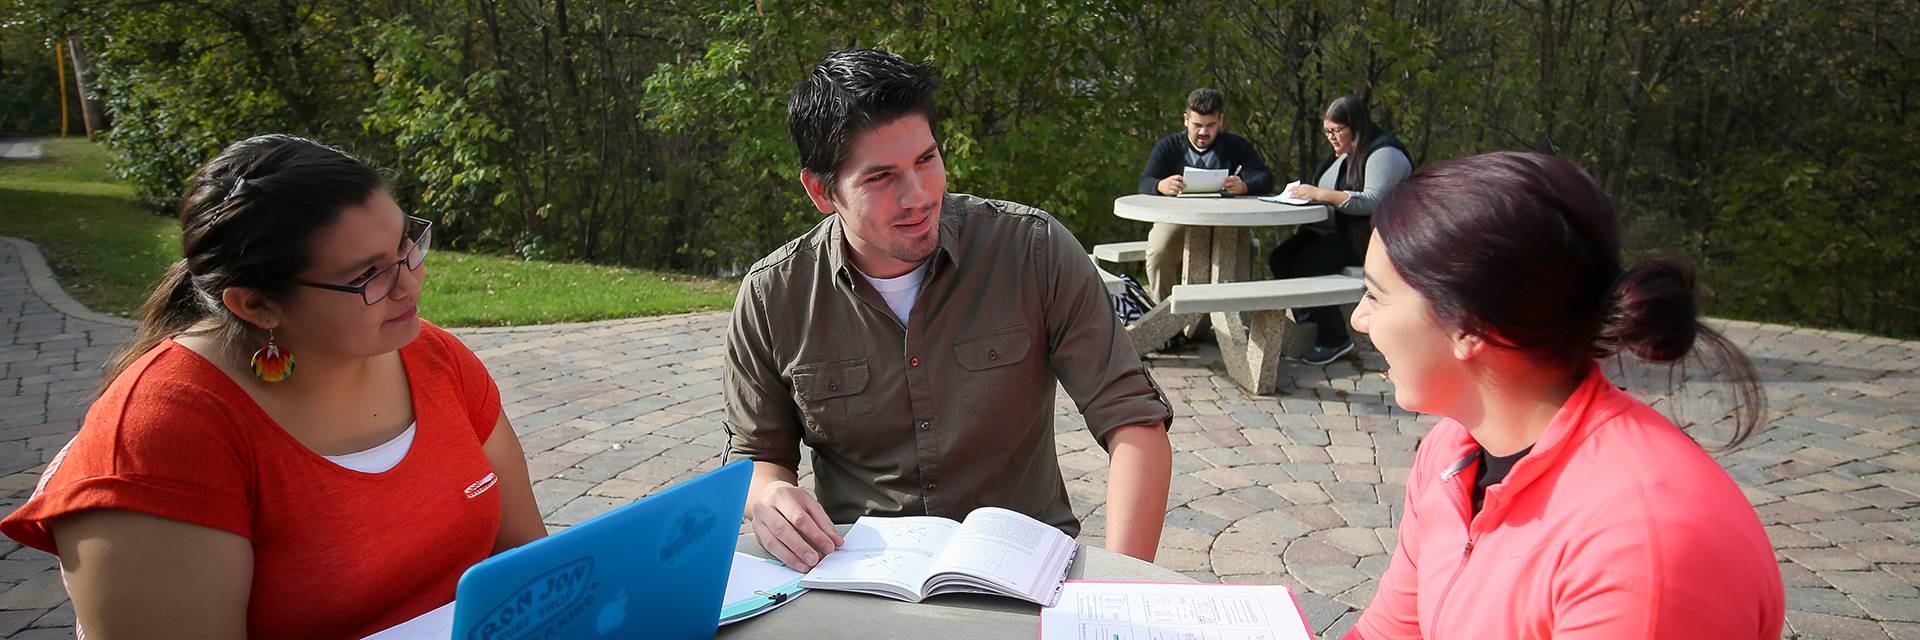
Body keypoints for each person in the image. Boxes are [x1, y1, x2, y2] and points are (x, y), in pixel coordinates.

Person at [0, 135, 547, 639]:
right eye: (368, 275)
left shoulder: (435, 358)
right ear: (256, 304)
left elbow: (533, 567)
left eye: (407, 244)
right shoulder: (163, 437)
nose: (410, 282)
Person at [725, 48, 1174, 572]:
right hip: (857, 575)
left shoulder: (1033, 250)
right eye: (880, 178)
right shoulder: (771, 296)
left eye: (926, 159)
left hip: (1025, 571)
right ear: (822, 191)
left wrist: (1119, 595)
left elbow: (1135, 423)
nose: (918, 195)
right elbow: (758, 460)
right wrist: (769, 497)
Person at [1342, 152, 1784, 639]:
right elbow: (1390, 632)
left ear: (1468, 326)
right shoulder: (1452, 452)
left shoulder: (1640, 545)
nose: (1358, 321)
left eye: (1375, 295)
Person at [1268, 94, 1412, 365]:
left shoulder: (1385, 152)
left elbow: (1371, 201)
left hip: (1373, 242)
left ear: (1356, 126)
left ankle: (1334, 339)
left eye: (1336, 131)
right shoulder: (1345, 154)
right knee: (1280, 258)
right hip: (1340, 233)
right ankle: (1308, 318)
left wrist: (1322, 194)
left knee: (1308, 264)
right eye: (1327, 131)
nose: (1331, 137)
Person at [1137, 87, 1276, 303]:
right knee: (1158, 250)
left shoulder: (1235, 146)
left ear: (1221, 121)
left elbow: (1265, 178)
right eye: (1197, 125)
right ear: (1186, 120)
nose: (1203, 132)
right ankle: (1163, 316)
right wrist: (1161, 185)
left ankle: (1222, 319)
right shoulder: (1169, 147)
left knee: (1238, 254)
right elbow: (1145, 181)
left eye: (1210, 125)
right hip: (1178, 220)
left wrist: (1245, 186)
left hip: (1227, 223)